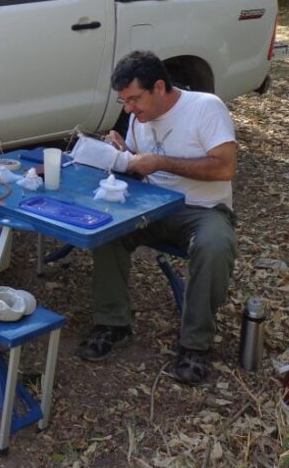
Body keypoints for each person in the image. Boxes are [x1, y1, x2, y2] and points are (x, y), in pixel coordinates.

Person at [75, 50, 238, 385]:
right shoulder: (139, 118)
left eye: (134, 99)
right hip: (151, 204)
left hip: (201, 209)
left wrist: (161, 163)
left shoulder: (205, 107)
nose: (128, 109)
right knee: (106, 227)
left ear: (160, 87)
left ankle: (195, 344)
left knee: (214, 244)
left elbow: (225, 167)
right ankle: (112, 323)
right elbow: (142, 162)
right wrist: (124, 155)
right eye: (124, 101)